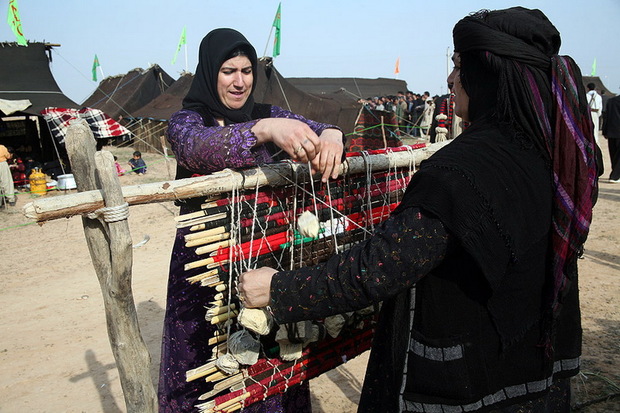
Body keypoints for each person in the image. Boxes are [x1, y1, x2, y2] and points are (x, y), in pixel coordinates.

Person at [240, 7, 599, 412]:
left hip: (468, 390)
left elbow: (380, 267)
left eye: (459, 66)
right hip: (540, 377)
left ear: (488, 75)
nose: (450, 79)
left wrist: (279, 289)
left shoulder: (460, 171)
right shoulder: (558, 157)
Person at [158, 28, 345, 412]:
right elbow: (200, 150)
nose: (240, 81)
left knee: (271, 357)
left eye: (246, 70)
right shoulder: (187, 122)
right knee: (208, 362)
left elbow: (315, 128)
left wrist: (332, 134)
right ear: (210, 72)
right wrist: (262, 131)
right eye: (228, 70)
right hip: (206, 265)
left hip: (265, 256)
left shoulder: (269, 113)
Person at [602, 94, 620, 182]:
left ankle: (615, 173)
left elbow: (606, 116)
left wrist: (605, 131)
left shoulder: (611, 101)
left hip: (612, 131)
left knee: (613, 153)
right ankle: (615, 176)